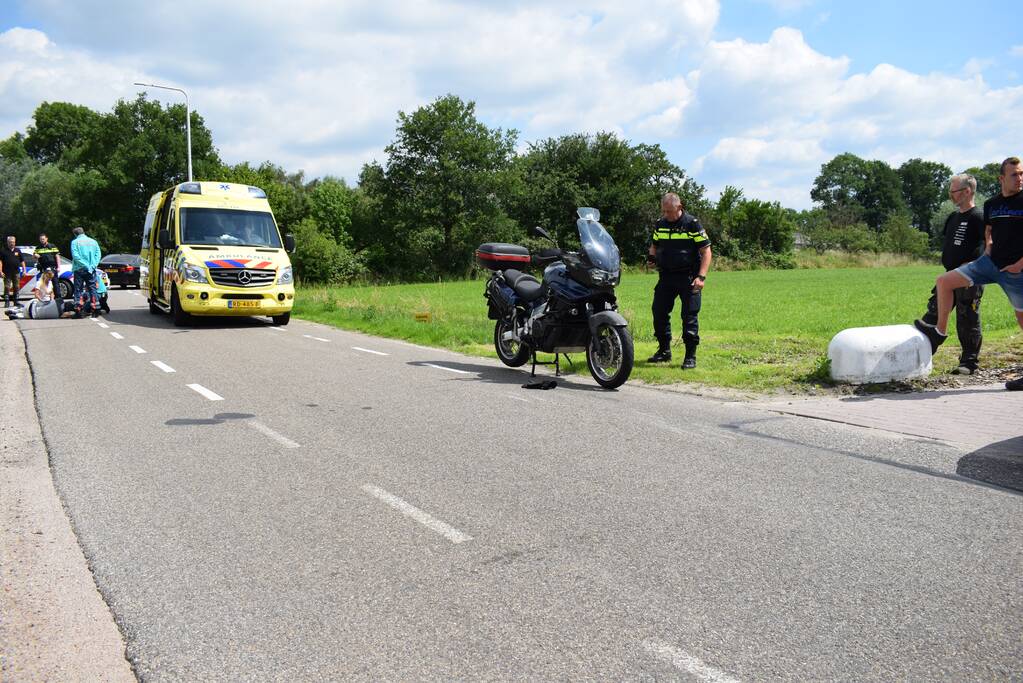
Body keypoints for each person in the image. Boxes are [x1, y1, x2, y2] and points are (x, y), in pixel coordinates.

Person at [915, 156, 1023, 391]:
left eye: (1021, 174)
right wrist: (988, 251)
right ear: (1002, 178)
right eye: (1015, 174)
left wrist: (1016, 263)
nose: (1020, 178)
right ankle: (935, 337)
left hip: (1008, 271)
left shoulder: (985, 212)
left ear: (966, 191)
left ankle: (969, 361)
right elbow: (989, 233)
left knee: (1003, 319)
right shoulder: (988, 206)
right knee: (941, 291)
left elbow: (984, 236)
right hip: (980, 266)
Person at [918, 174, 986, 374]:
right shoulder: (953, 218)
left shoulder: (979, 217)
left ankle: (968, 363)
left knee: (967, 318)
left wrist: (972, 263)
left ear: (967, 192)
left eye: (953, 191)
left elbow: (988, 245)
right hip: (949, 277)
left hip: (969, 277)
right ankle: (920, 357)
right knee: (933, 313)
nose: (950, 195)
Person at [646, 192, 712, 369]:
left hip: (689, 277)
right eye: (664, 211)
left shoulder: (692, 224)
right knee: (659, 312)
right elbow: (654, 245)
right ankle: (664, 351)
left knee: (689, 316)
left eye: (669, 211)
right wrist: (651, 258)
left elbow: (706, 251)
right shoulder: (660, 224)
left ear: (679, 207)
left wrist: (701, 277)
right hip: (666, 276)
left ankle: (690, 357)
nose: (666, 214)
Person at [70, 226, 102, 318]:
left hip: (79, 269)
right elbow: (98, 254)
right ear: (83, 232)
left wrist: (85, 265)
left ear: (75, 234)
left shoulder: (74, 242)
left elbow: (75, 256)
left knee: (78, 289)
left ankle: (79, 310)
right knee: (92, 289)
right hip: (91, 269)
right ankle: (96, 309)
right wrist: (93, 265)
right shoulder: (93, 241)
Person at [1, 235, 25, 309]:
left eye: (13, 242)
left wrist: (24, 270)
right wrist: (0, 271)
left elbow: (22, 261)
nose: (12, 243)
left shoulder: (18, 250)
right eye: (10, 242)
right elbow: (0, 262)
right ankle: (7, 302)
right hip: (6, 272)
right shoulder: (3, 251)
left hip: (16, 272)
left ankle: (16, 301)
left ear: (15, 242)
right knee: (7, 287)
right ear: (7, 242)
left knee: (16, 286)